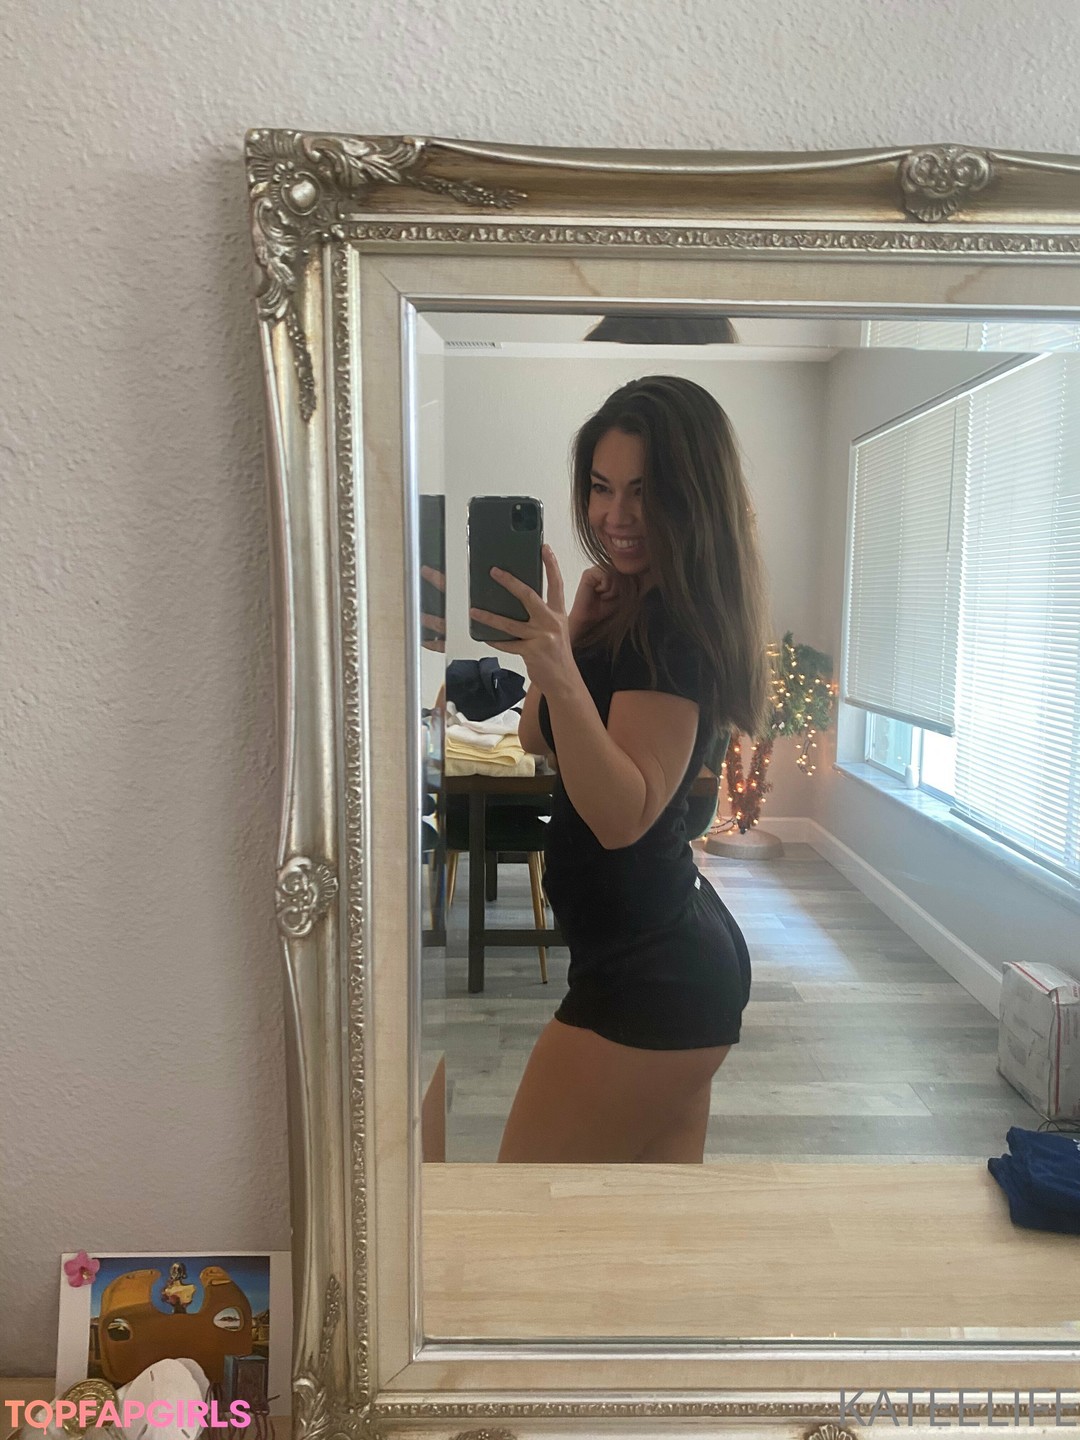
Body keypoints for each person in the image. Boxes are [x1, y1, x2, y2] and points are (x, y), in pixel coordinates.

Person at [467, 375, 772, 1163]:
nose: (616, 515)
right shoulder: (635, 606)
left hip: (650, 978)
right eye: (602, 488)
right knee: (646, 1226)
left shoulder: (672, 627)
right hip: (655, 959)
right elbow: (538, 735)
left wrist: (560, 667)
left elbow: (621, 816)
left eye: (644, 490)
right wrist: (568, 636)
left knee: (520, 1209)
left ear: (693, 495)